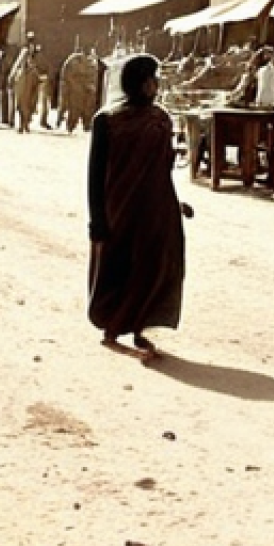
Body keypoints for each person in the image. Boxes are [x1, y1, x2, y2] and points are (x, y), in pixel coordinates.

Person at [87, 54, 191, 359]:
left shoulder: (160, 119)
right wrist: (97, 220)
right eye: (150, 80)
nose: (155, 85)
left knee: (151, 269)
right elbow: (95, 176)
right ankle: (113, 327)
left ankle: (140, 328)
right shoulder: (107, 120)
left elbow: (161, 170)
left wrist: (175, 204)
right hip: (119, 211)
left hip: (155, 211)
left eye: (155, 79)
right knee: (119, 268)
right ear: (137, 83)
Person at [9, 32, 52, 132]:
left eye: (32, 40)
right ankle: (22, 125)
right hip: (24, 79)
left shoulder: (37, 54)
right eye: (30, 40)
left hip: (31, 81)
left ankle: (25, 124)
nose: (31, 43)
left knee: (29, 104)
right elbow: (18, 64)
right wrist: (12, 76)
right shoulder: (25, 52)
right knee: (22, 103)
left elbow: (42, 67)